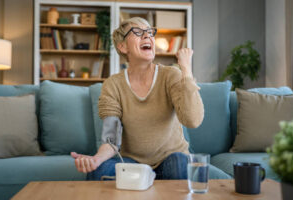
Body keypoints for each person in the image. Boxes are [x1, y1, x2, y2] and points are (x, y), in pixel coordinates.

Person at [71, 17, 229, 180]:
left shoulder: (170, 75)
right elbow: (112, 138)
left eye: (149, 32)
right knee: (99, 170)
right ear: (123, 46)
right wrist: (96, 159)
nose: (147, 36)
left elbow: (192, 120)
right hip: (133, 164)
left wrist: (186, 71)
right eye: (138, 32)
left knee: (180, 164)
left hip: (172, 160)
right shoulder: (113, 85)